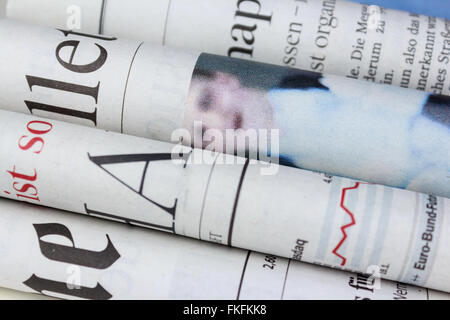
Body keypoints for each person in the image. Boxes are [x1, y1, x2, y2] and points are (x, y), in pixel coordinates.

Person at [183, 67, 450, 197]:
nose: (219, 120)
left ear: (224, 80)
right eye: (204, 134)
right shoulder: (291, 181)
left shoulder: (315, 78)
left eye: (207, 101)